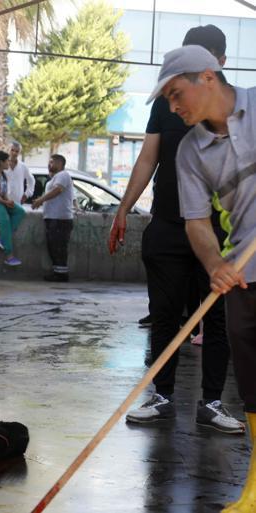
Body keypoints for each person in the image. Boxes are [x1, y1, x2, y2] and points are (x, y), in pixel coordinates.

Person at [109, 26, 241, 433]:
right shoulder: (168, 103)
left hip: (220, 233)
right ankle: (161, 394)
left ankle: (213, 402)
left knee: (217, 319)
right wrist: (123, 209)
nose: (177, 103)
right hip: (169, 224)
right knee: (164, 316)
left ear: (216, 65)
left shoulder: (239, 109)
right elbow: (147, 159)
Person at [149, 43, 256, 512]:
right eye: (168, 100)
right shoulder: (191, 151)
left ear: (208, 77)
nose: (174, 107)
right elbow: (196, 222)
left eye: (176, 94)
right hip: (245, 271)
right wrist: (215, 265)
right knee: (252, 379)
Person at [32, 154, 74, 282]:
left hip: (60, 219)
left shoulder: (63, 175)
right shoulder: (53, 179)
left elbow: (58, 190)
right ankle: (58, 272)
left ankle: (62, 275)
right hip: (52, 218)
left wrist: (41, 200)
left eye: (52, 162)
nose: (49, 165)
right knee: (53, 247)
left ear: (60, 164)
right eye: (49, 162)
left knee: (59, 247)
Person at [6, 141, 35, 205]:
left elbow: (31, 180)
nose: (14, 153)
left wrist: (26, 194)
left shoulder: (23, 166)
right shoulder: (2, 165)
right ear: (8, 150)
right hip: (3, 201)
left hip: (17, 202)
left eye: (17, 151)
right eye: (12, 150)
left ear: (19, 153)